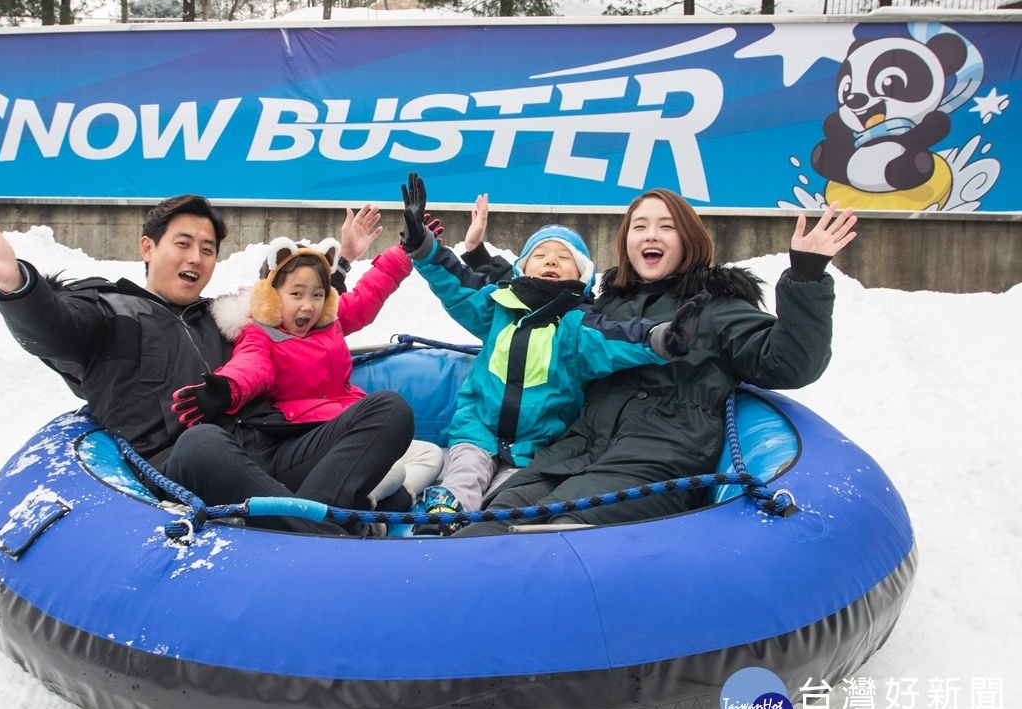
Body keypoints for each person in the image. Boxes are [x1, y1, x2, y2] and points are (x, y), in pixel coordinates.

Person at [0, 196, 412, 535]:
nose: (196, 258)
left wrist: (344, 260)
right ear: (148, 247)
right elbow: (53, 326)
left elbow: (302, 306)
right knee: (201, 440)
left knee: (389, 409)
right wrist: (16, 285)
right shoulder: (108, 312)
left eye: (207, 249)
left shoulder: (224, 316)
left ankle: (310, 520)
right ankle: (327, 537)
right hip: (187, 464)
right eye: (184, 243)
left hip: (266, 449)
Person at [454, 188, 858, 536]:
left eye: (666, 226)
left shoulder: (715, 306)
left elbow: (789, 364)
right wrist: (478, 256)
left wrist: (806, 276)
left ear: (688, 239)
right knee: (492, 520)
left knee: (552, 535)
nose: (651, 234)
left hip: (656, 461)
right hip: (574, 452)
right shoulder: (605, 306)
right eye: (639, 226)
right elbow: (534, 294)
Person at [397, 174, 703, 529]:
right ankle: (441, 522)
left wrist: (663, 338)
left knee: (502, 503)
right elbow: (457, 282)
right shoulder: (496, 305)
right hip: (477, 431)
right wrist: (423, 247)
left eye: (564, 258)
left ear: (582, 274)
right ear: (522, 268)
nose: (551, 261)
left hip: (536, 449)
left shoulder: (578, 327)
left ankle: (482, 537)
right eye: (540, 255)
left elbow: (622, 338)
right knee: (463, 480)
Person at [168, 235, 439, 513]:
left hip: (343, 431)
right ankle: (331, 514)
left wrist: (406, 251)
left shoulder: (328, 323)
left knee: (431, 454)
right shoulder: (262, 335)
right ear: (271, 297)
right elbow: (251, 366)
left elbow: (367, 295)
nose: (308, 305)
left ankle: (369, 503)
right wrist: (228, 388)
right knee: (392, 454)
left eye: (317, 295)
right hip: (301, 442)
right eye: (296, 294)